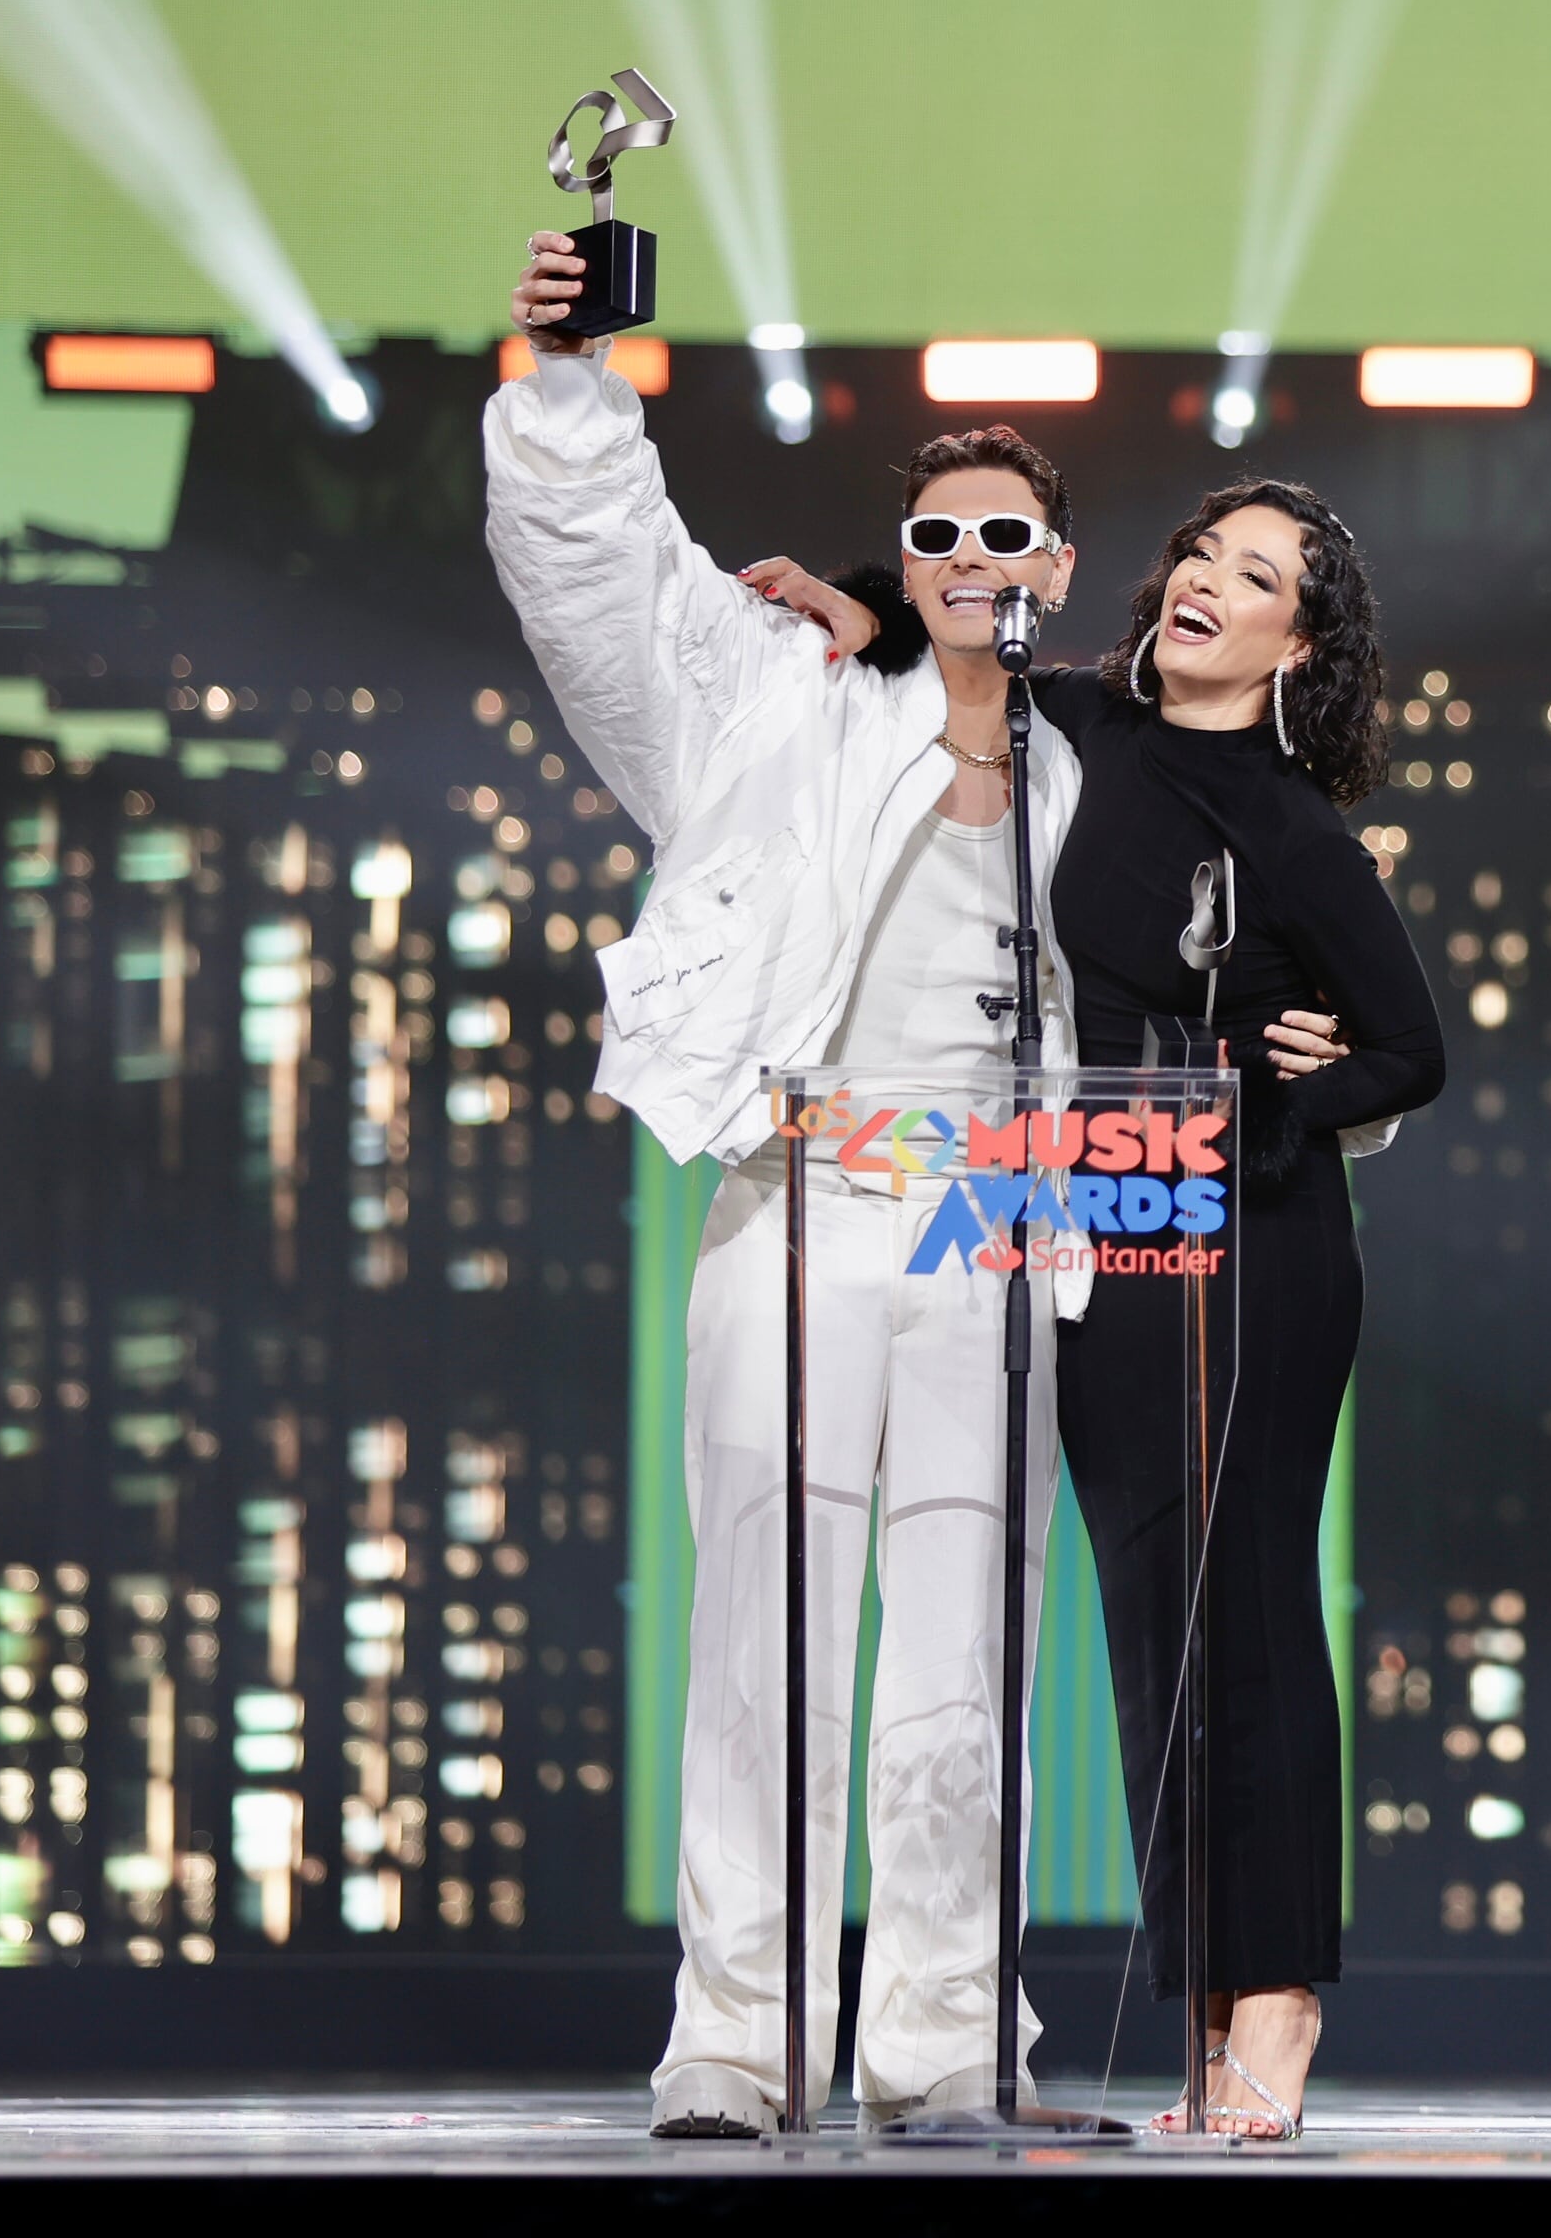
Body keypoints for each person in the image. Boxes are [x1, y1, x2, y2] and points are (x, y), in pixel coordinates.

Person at [488, 232, 1087, 2134]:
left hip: (997, 1207)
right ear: (897, 566)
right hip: (810, 1189)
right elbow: (607, 585)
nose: (973, 568)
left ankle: (939, 2038)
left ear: (1058, 572)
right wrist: (574, 376)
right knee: (764, 1623)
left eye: (1008, 540)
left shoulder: (1106, 771)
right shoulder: (781, 705)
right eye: (939, 541)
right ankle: (738, 2040)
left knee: (967, 1649)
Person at [800, 482, 1441, 2139]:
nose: (1211, 584)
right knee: (1153, 1629)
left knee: (1248, 1614)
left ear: (1302, 642)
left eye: (1260, 576)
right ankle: (1205, 2006)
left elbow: (1409, 1048)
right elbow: (954, 630)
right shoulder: (1077, 720)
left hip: (1251, 1245)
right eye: (1203, 555)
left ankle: (1278, 2004)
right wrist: (866, 602)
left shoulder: (1291, 820)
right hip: (1092, 1221)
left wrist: (1275, 1094)